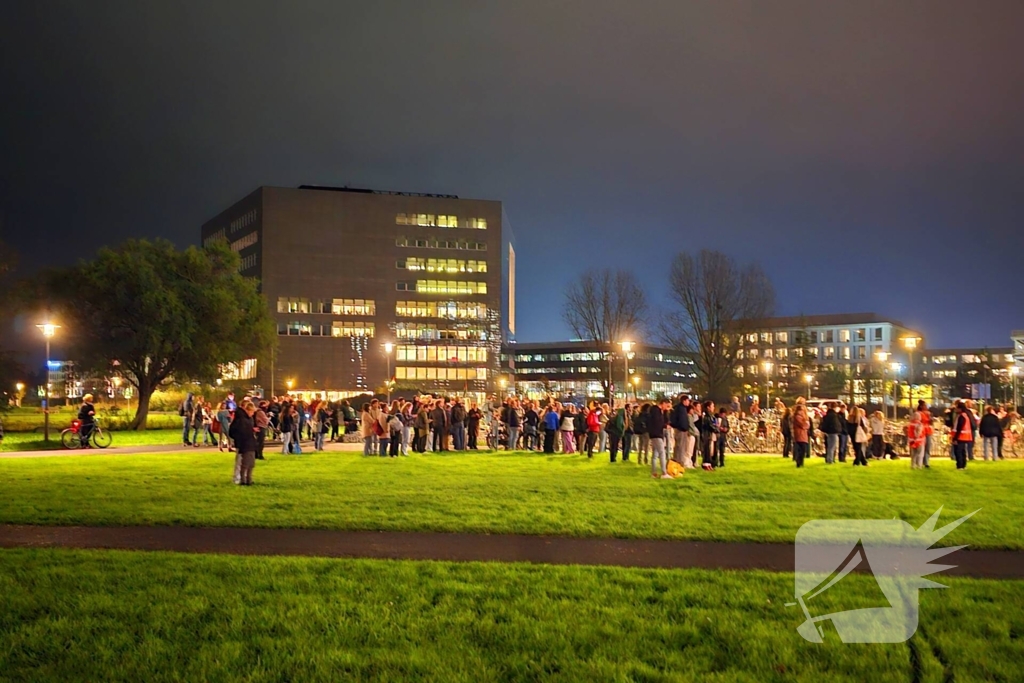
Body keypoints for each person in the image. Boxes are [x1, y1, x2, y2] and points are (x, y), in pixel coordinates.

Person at [228, 400, 258, 486]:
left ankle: (242, 478)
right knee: (242, 462)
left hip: (245, 442)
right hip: (243, 443)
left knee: (245, 462)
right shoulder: (241, 418)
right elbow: (239, 430)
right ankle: (239, 479)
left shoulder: (244, 417)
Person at [648, 398, 672, 479]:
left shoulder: (657, 411)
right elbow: (657, 422)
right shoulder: (656, 411)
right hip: (656, 434)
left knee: (655, 454)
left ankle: (654, 473)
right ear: (663, 403)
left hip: (655, 434)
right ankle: (664, 473)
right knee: (662, 453)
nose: (667, 408)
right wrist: (665, 426)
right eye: (667, 405)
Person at [952, 402, 974, 470]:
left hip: (960, 436)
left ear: (960, 408)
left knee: (958, 451)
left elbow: (959, 428)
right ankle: (963, 465)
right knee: (963, 451)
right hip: (965, 436)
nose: (955, 409)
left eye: (957, 408)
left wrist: (955, 438)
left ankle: (960, 465)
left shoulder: (961, 416)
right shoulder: (965, 415)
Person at [791, 404, 810, 468]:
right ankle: (799, 463)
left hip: (802, 435)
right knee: (801, 450)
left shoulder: (802, 417)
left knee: (802, 450)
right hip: (800, 434)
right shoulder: (797, 416)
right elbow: (803, 425)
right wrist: (806, 424)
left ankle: (800, 463)